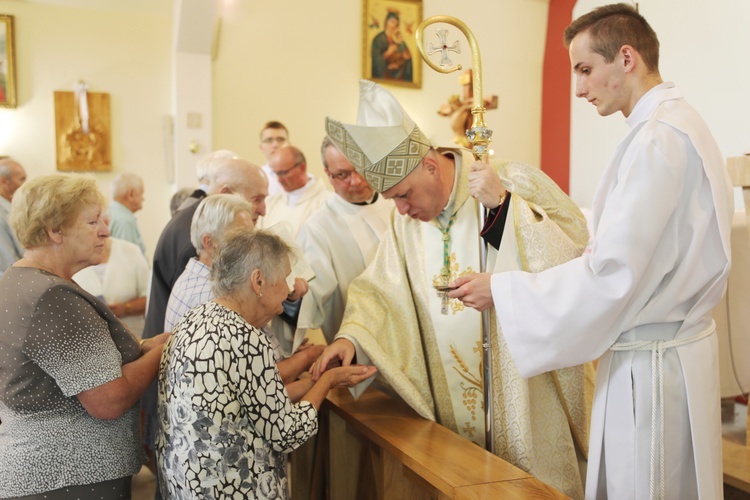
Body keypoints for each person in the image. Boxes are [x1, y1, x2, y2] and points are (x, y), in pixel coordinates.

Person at [451, 4, 734, 498]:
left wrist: (505, 290)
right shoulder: (678, 124)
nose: (578, 89)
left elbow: (612, 273)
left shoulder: (658, 140)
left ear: (626, 58)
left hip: (651, 370)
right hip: (671, 355)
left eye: (584, 70)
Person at [312, 80, 593, 499]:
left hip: (525, 397)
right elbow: (380, 289)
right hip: (451, 418)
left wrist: (503, 209)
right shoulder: (403, 221)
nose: (403, 210)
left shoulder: (509, 180)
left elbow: (575, 249)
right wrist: (351, 338)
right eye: (392, 200)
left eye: (404, 195)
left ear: (430, 164)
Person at [156, 228, 377, 499]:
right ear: (258, 281)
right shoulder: (246, 337)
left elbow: (259, 402)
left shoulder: (195, 318)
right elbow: (287, 433)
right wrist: (329, 382)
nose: (289, 290)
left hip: (187, 481)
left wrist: (313, 381)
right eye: (284, 278)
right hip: (231, 487)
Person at [0, 173, 168, 498]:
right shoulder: (52, 296)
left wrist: (147, 346)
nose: (105, 231)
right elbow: (108, 399)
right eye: (93, 222)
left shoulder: (17, 281)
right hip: (73, 473)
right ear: (55, 230)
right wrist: (166, 350)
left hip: (42, 469)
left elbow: (65, 366)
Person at [141, 156, 269, 486]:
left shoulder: (199, 234)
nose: (263, 210)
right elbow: (248, 376)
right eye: (257, 200)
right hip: (204, 432)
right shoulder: (209, 282)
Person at [294, 136, 392, 346]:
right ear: (328, 174)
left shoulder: (397, 204)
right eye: (342, 175)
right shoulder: (317, 228)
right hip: (361, 347)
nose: (355, 181)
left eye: (360, 169)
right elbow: (307, 297)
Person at [73, 216, 150, 336]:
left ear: (106, 222)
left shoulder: (131, 252)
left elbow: (150, 297)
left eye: (96, 223)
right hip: (92, 340)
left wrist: (126, 308)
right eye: (91, 223)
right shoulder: (73, 257)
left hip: (134, 336)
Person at [258, 145, 332, 238]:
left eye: (283, 173)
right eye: (276, 174)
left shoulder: (327, 202)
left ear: (302, 167)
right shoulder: (270, 203)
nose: (279, 180)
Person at [109, 171, 147, 255]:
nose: (143, 198)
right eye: (142, 193)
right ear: (131, 194)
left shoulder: (111, 212)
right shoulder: (125, 221)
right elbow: (128, 261)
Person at [0, 158, 26, 275]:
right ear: (4, 181)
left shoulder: (9, 207)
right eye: (21, 179)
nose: (25, 185)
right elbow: (8, 261)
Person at [371, 10, 413, 82]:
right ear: (386, 22)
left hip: (399, 78)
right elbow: (375, 61)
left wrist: (405, 59)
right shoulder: (378, 39)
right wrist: (387, 53)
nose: (394, 26)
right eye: (392, 22)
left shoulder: (399, 41)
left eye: (396, 24)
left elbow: (408, 60)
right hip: (383, 77)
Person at [258, 121, 289, 197]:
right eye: (269, 140)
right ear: (261, 147)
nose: (275, 145)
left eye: (280, 139)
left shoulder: (302, 177)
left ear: (289, 144)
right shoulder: (256, 178)